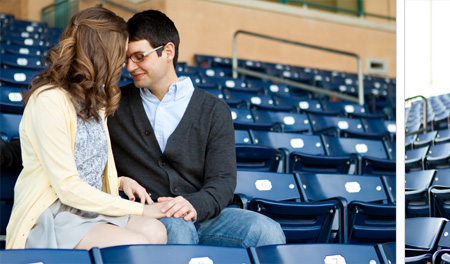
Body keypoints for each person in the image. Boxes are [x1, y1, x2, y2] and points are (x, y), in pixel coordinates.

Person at [108, 10, 285, 246]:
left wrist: (194, 204)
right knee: (178, 229)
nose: (130, 67)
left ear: (168, 51)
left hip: (204, 215)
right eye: (126, 58)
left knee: (266, 231)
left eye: (139, 56)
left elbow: (222, 179)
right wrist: (120, 180)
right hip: (147, 214)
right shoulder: (113, 105)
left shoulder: (214, 110)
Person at [5, 7, 167, 249]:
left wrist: (120, 181)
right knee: (134, 244)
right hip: (53, 214)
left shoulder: (96, 100)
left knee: (156, 232)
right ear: (102, 54)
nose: (124, 65)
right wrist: (141, 209)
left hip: (88, 209)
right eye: (120, 56)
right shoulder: (48, 100)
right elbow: (68, 187)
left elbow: (85, 168)